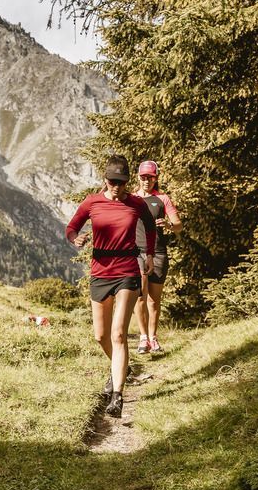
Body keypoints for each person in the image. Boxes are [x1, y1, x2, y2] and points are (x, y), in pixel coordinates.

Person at [65, 155, 156, 417]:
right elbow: (71, 227)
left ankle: (117, 395)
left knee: (118, 334)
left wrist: (148, 254)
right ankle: (120, 366)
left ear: (128, 181)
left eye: (122, 182)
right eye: (113, 181)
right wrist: (75, 239)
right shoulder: (92, 203)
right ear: (105, 180)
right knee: (100, 336)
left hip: (128, 270)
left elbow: (150, 226)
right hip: (100, 272)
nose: (117, 186)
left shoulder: (136, 204)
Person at [133, 160, 182, 355]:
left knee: (154, 299)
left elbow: (179, 225)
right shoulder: (131, 198)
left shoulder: (163, 198)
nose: (147, 181)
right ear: (138, 177)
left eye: (150, 177)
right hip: (137, 252)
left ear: (156, 178)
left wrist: (169, 225)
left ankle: (153, 338)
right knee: (140, 297)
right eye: (143, 177)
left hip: (159, 252)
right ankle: (143, 338)